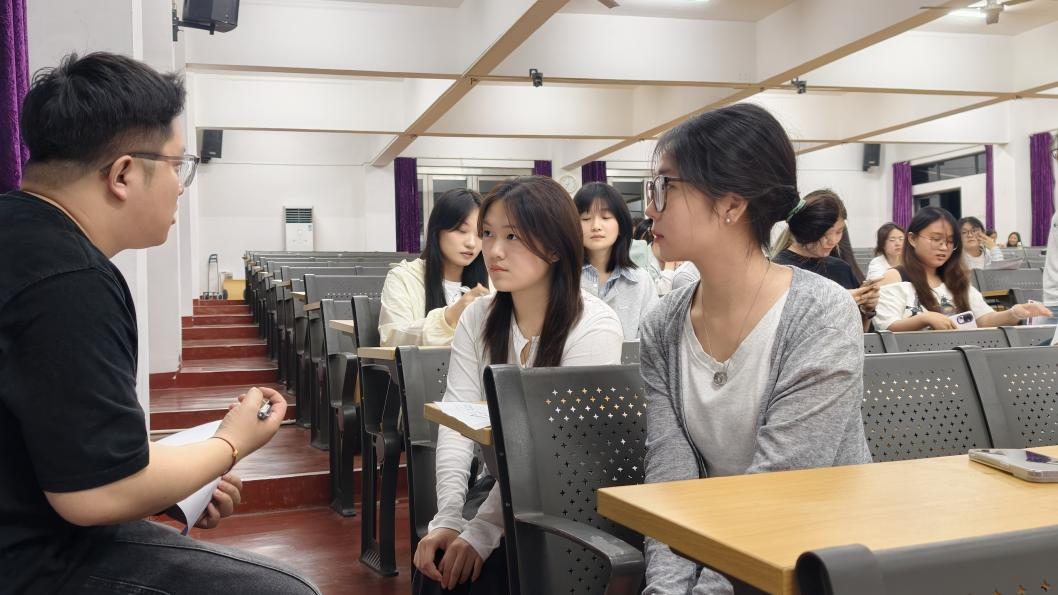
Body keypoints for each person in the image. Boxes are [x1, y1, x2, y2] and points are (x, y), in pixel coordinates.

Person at [0, 52, 318, 594]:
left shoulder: (23, 235)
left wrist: (182, 480)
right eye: (177, 166)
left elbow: (62, 443)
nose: (181, 186)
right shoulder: (71, 280)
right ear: (123, 174)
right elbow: (96, 495)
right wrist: (229, 444)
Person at [640, 103, 871, 595]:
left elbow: (782, 487)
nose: (649, 208)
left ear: (731, 204)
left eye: (664, 186)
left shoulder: (821, 313)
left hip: (820, 563)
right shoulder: (663, 325)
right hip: (720, 551)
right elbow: (670, 479)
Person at [411, 176, 623, 594]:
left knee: (482, 575)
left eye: (513, 236)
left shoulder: (593, 325)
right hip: (501, 485)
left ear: (555, 246)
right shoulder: (478, 317)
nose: (493, 250)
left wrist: (481, 532)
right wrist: (449, 519)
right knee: (437, 566)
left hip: (571, 494)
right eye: (488, 233)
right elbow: (456, 424)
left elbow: (553, 451)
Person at [875, 207, 1051, 331]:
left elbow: (984, 319)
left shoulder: (956, 280)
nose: (944, 247)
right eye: (936, 239)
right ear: (912, 239)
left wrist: (1014, 313)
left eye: (950, 241)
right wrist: (923, 318)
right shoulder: (894, 278)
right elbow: (886, 328)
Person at [378, 188, 490, 347]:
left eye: (480, 234)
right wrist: (448, 317)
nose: (471, 243)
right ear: (437, 231)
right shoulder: (404, 278)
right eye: (461, 231)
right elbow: (391, 339)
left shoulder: (491, 281)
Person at [771, 189, 880, 327]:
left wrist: (867, 309)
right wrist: (837, 301)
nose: (833, 240)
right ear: (807, 230)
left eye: (839, 231)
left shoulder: (841, 269)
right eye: (824, 234)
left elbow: (861, 334)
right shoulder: (778, 270)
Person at [575, 182, 659, 338]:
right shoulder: (563, 278)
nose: (596, 226)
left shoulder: (641, 281)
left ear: (621, 225)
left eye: (606, 217)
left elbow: (652, 340)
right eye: (586, 218)